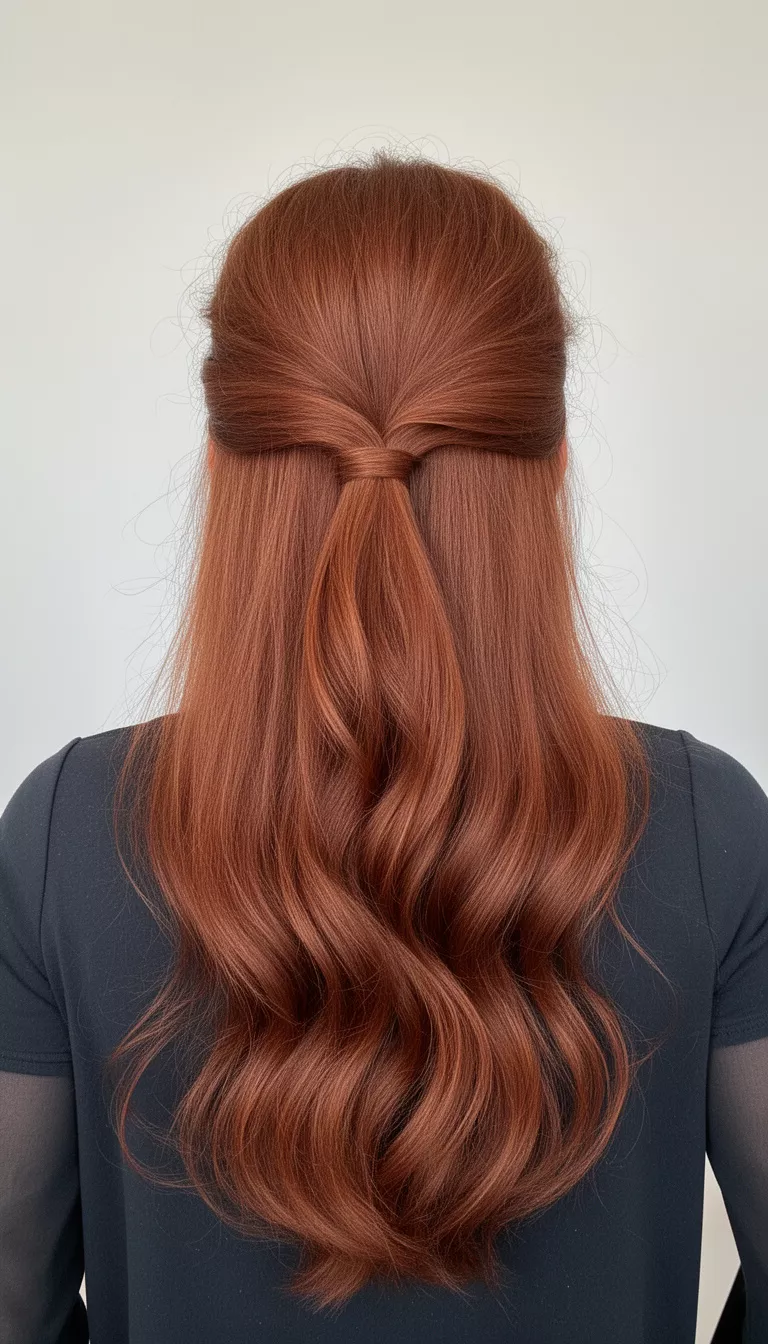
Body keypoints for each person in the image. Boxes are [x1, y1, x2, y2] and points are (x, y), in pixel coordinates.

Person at [1, 151, 766, 1344]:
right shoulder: (709, 824)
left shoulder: (65, 828)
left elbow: (11, 1297)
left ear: (221, 468)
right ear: (551, 471)